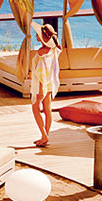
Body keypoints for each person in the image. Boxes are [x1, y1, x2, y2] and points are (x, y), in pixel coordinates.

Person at [28, 20, 61, 148]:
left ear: (42, 37)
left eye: (37, 34)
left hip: (42, 84)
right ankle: (44, 136)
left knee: (35, 108)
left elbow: (41, 72)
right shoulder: (55, 50)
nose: (36, 36)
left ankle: (44, 135)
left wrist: (40, 89)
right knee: (47, 110)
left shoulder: (41, 52)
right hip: (50, 84)